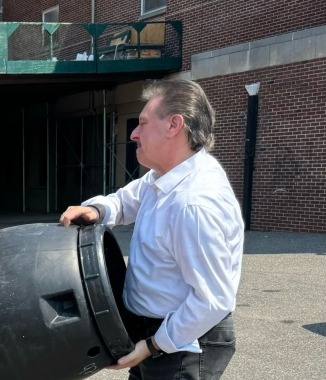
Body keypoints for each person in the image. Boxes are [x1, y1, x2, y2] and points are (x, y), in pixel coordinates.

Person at [60, 80, 243, 380]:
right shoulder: (164, 177)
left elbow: (213, 300)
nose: (133, 132)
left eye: (142, 123)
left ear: (174, 125)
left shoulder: (193, 203)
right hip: (155, 334)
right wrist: (97, 210)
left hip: (183, 344)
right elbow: (126, 200)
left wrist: (153, 346)